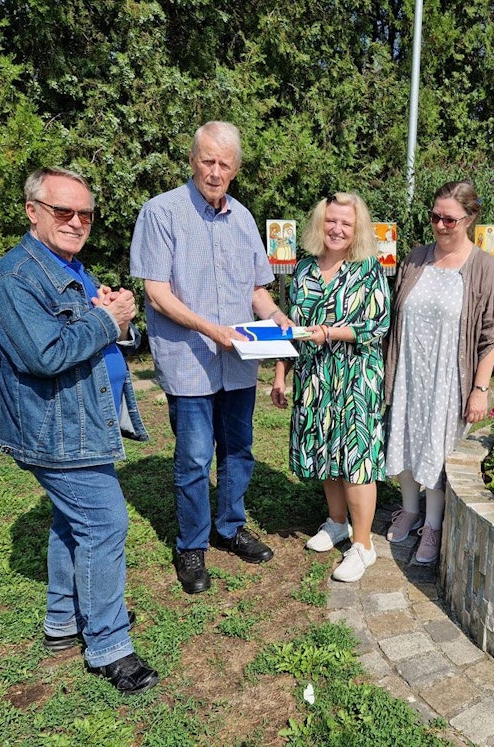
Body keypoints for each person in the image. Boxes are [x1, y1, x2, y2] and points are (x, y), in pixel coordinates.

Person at [0, 167, 158, 694]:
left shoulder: (68, 267)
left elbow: (88, 333)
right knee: (105, 525)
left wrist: (118, 322)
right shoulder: (15, 279)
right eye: (63, 211)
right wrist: (109, 320)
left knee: (71, 523)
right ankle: (109, 646)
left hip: (83, 421)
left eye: (84, 213)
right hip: (56, 428)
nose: (76, 222)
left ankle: (63, 623)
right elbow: (45, 353)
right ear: (33, 211)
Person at [130, 121, 290, 594]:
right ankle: (192, 545)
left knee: (238, 451)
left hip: (238, 360)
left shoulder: (243, 218)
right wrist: (208, 329)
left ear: (236, 169)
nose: (215, 171)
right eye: (207, 160)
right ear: (192, 159)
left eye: (224, 163)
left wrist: (276, 315)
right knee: (196, 458)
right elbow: (156, 293)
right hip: (190, 359)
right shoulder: (162, 212)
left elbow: (256, 290)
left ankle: (230, 526)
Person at [384, 181, 494, 564]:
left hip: (449, 378)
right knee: (403, 437)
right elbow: (395, 314)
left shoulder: (484, 269)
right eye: (435, 216)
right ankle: (410, 508)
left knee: (437, 449)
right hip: (408, 370)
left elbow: (492, 338)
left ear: (470, 219)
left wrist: (480, 389)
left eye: (450, 219)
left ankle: (433, 525)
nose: (440, 225)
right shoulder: (415, 259)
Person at [271, 193, 390, 582]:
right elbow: (290, 330)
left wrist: (330, 333)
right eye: (331, 221)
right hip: (315, 377)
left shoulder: (368, 269)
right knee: (327, 451)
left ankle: (363, 546)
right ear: (319, 225)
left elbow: (378, 325)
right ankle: (337, 522)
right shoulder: (303, 269)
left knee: (357, 461)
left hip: (356, 377)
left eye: (346, 223)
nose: (337, 229)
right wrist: (279, 375)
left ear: (357, 230)